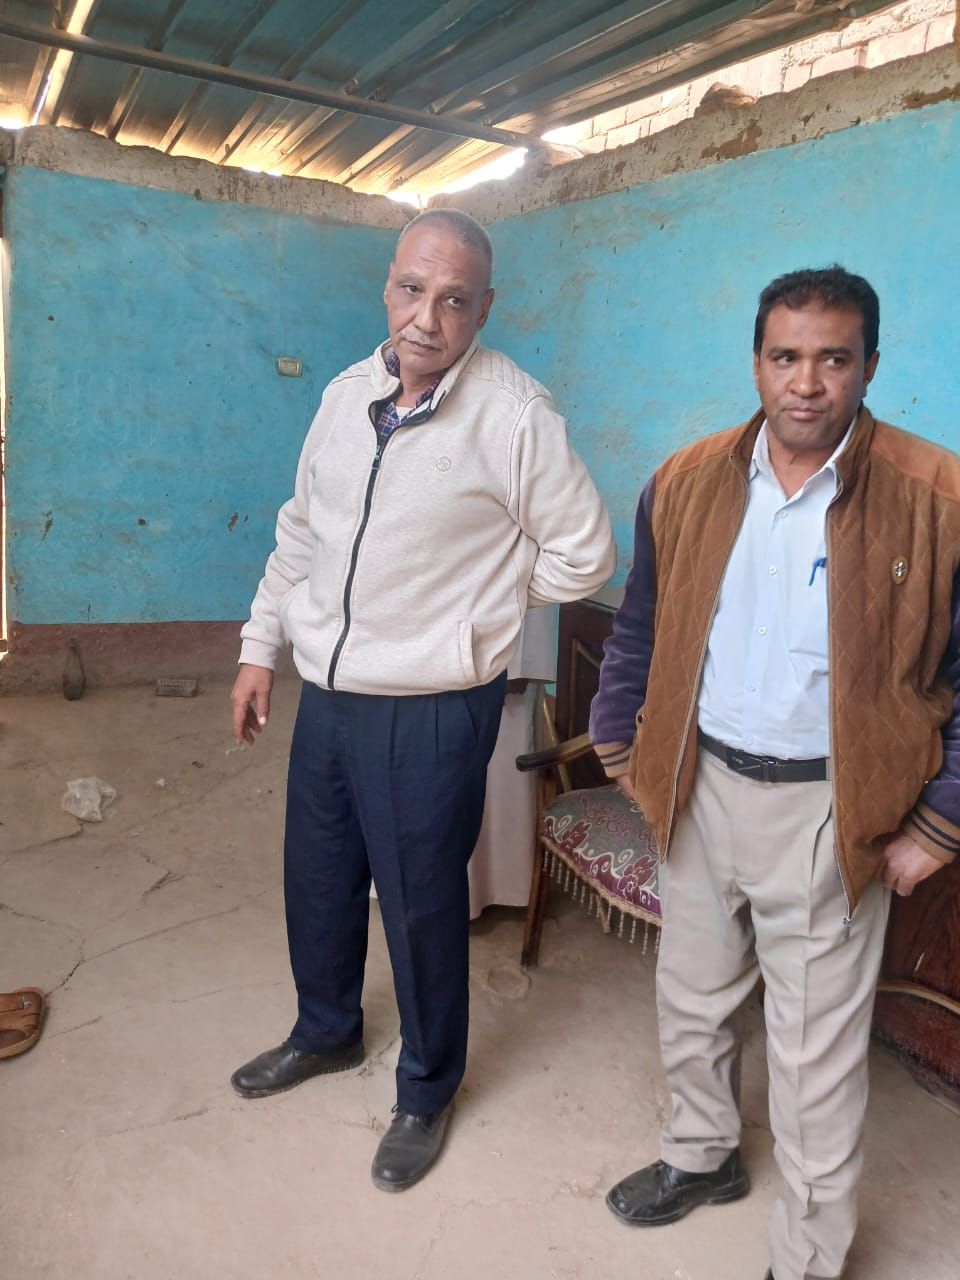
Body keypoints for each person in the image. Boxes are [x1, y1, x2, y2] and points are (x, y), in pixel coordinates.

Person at [230, 208, 615, 1192]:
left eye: (454, 299)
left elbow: (586, 552)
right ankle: (325, 1029)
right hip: (331, 690)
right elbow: (301, 530)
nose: (427, 318)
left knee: (420, 900)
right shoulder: (344, 396)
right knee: (319, 875)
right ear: (387, 286)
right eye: (413, 289)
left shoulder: (514, 416)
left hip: (435, 703)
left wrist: (476, 613)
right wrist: (260, 647)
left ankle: (426, 1088)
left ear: (485, 308)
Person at [589, 266, 960, 1280]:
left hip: (834, 810)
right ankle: (702, 1153)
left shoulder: (938, 498)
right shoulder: (687, 479)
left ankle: (807, 1256)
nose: (806, 382)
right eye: (785, 356)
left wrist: (937, 825)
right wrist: (623, 745)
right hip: (701, 787)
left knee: (814, 1058)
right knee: (693, 998)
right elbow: (642, 625)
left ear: (870, 366)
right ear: (755, 362)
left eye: (834, 358)